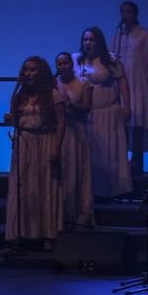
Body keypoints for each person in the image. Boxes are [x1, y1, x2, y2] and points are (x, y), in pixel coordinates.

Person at [4, 57, 66, 248]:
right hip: (24, 142)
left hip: (45, 140)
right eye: (25, 70)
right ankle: (23, 232)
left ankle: (47, 234)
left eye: (32, 70)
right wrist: (11, 120)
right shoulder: (19, 95)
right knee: (24, 188)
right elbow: (16, 120)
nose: (28, 73)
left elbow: (61, 122)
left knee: (44, 187)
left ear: (41, 72)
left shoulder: (53, 94)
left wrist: (56, 148)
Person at [75, 27, 133, 198]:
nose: (88, 43)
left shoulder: (110, 60)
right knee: (91, 152)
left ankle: (111, 190)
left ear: (98, 41)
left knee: (109, 151)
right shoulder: (77, 60)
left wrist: (126, 107)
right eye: (85, 39)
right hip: (86, 113)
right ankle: (89, 191)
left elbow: (122, 83)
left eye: (91, 39)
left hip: (108, 112)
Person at [110, 1, 148, 178]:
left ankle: (137, 163)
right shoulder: (118, 35)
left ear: (135, 13)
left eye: (129, 11)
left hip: (139, 83)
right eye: (122, 11)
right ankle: (121, 163)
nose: (125, 14)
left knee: (138, 119)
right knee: (123, 121)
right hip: (122, 84)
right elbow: (111, 58)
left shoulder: (144, 35)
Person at [54, 52, 94, 228]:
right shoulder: (54, 83)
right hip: (59, 132)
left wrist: (72, 105)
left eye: (65, 63)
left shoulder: (83, 83)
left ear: (72, 64)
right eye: (60, 64)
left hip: (77, 132)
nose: (63, 67)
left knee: (77, 171)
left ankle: (79, 214)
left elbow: (87, 107)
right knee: (61, 172)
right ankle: (60, 213)